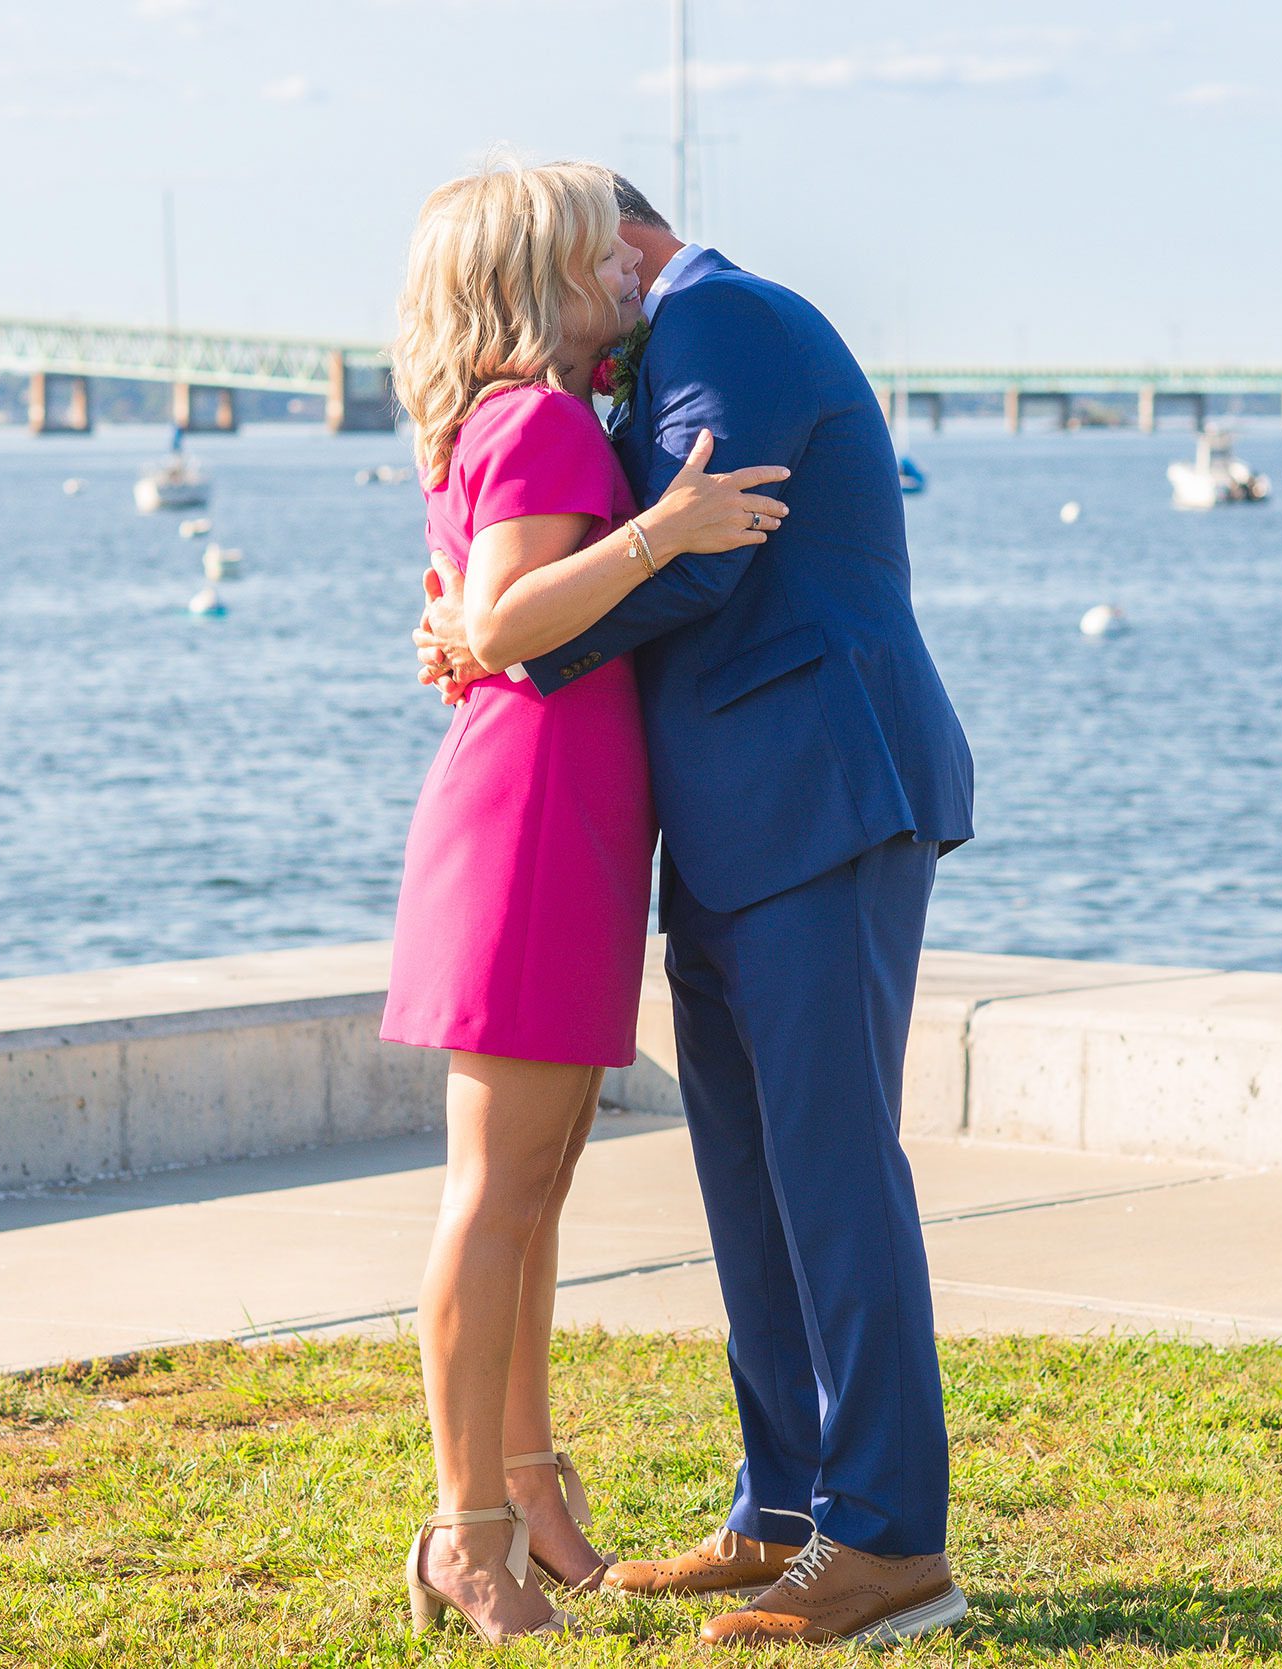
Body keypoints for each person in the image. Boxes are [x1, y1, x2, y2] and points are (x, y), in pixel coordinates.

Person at [415, 170, 977, 1647]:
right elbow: (605, 537)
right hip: (728, 824)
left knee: (834, 1167)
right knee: (750, 1171)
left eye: (602, 263)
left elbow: (707, 558)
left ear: (630, 241)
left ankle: (888, 1542)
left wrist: (504, 637)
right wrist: (500, 607)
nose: (598, 299)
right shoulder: (643, 358)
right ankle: (785, 1510)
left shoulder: (722, 314)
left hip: (822, 793)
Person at [381, 157, 795, 1645]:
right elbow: (499, 619)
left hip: (556, 814)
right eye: (590, 263)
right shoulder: (546, 417)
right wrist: (667, 530)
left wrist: (483, 627)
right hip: (533, 823)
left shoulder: (505, 416)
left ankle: (524, 1482)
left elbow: (473, 622)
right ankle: (468, 1533)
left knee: (533, 1191)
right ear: (523, 287)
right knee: (497, 1197)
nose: (628, 274)